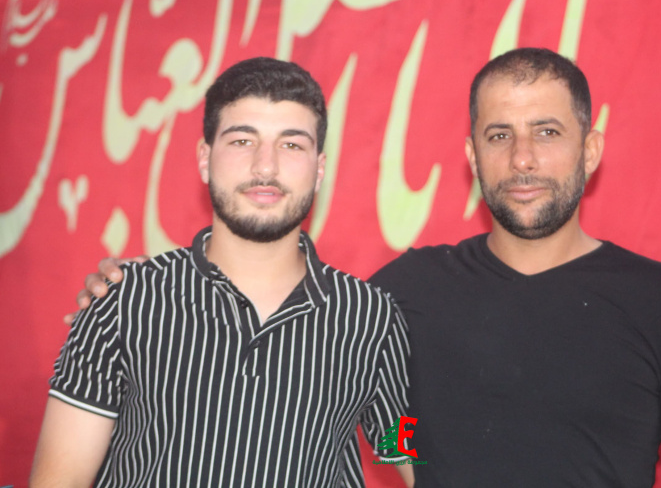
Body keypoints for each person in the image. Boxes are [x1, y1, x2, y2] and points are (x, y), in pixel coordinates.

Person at [74, 48, 661, 487]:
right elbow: (332, 365)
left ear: (590, 150)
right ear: (472, 157)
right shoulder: (406, 292)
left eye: (548, 131)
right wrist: (139, 291)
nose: (523, 159)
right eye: (499, 135)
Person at [31, 57, 411, 487]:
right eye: (242, 141)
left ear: (319, 169)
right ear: (204, 158)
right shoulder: (123, 301)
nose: (265, 167)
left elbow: (407, 454)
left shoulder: (371, 316)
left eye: (291, 145)